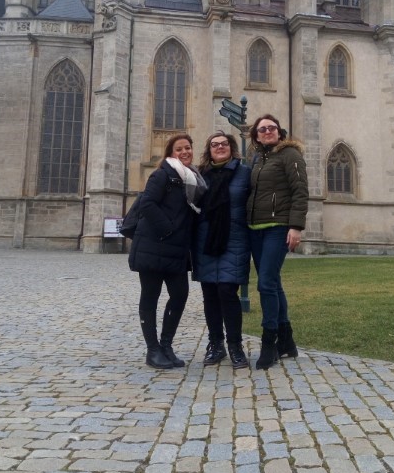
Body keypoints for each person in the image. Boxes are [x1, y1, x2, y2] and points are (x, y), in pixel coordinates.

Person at [128, 133, 207, 369]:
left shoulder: (193, 178)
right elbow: (147, 204)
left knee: (180, 294)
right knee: (150, 296)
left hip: (177, 249)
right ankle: (153, 350)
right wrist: (168, 229)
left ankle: (166, 346)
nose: (185, 152)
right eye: (179, 149)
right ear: (171, 153)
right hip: (154, 246)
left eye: (188, 148)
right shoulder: (162, 174)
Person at [247, 114, 309, 370]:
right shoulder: (257, 159)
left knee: (265, 284)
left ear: (280, 132)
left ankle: (269, 342)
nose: (267, 131)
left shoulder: (290, 154)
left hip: (278, 227)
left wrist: (296, 226)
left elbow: (300, 191)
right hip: (255, 229)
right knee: (273, 283)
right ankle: (287, 342)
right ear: (256, 136)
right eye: (262, 129)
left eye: (271, 127)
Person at [193, 132, 251, 369]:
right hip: (205, 240)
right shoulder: (200, 175)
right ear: (209, 150)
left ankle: (235, 345)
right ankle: (215, 345)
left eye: (224, 144)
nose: (220, 147)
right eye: (214, 144)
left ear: (231, 147)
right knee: (209, 293)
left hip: (233, 239)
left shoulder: (244, 173)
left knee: (227, 291)